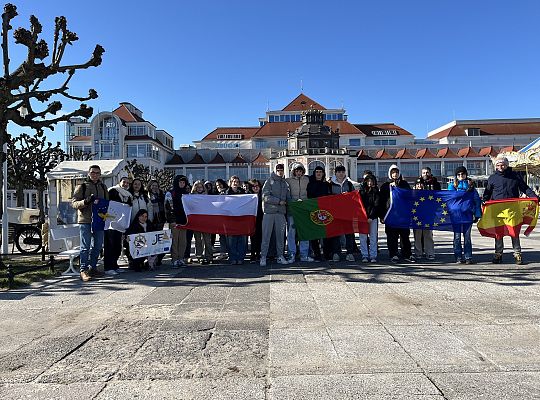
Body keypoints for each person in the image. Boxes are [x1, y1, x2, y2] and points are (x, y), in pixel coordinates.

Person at [483, 155, 538, 264]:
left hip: (512, 209)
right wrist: (484, 200)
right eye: (498, 165)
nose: (500, 166)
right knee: (498, 233)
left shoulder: (515, 176)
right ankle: (498, 254)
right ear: (495, 166)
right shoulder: (492, 178)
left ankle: (517, 253)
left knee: (514, 231)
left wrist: (534, 197)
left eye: (502, 164)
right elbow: (487, 193)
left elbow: (525, 188)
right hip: (497, 210)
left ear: (507, 165)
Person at [71, 164, 109, 282]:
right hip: (85, 220)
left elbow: (107, 203)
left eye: (97, 173)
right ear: (88, 173)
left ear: (100, 174)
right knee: (85, 247)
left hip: (99, 220)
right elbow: (74, 203)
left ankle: (93, 267)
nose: (95, 175)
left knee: (97, 246)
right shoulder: (81, 186)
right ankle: (83, 270)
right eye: (93, 172)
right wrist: (86, 201)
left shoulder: (103, 187)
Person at [379, 164, 415, 263]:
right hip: (390, 215)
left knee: (405, 236)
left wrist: (398, 187)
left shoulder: (404, 184)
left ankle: (407, 254)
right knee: (392, 236)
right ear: (390, 174)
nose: (395, 174)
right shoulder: (385, 186)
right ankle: (393, 254)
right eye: (393, 172)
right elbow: (381, 202)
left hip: (403, 215)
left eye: (396, 172)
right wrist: (381, 216)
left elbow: (409, 197)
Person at [448, 166, 482, 264]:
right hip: (456, 215)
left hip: (467, 214)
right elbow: (451, 198)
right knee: (457, 237)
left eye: (462, 174)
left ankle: (468, 257)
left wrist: (477, 214)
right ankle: (458, 257)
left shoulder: (471, 186)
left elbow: (476, 200)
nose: (461, 176)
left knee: (467, 237)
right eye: (458, 174)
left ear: (466, 174)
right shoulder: (452, 185)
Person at [260, 164, 289, 267]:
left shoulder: (285, 183)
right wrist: (278, 201)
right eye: (278, 170)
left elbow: (288, 197)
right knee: (266, 236)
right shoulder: (269, 181)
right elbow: (265, 196)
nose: (280, 172)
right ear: (275, 170)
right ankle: (263, 256)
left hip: (280, 213)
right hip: (269, 212)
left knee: (281, 237)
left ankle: (280, 256)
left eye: (281, 170)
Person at [103, 172, 132, 275]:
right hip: (110, 223)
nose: (125, 184)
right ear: (119, 182)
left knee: (117, 245)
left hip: (120, 224)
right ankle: (108, 267)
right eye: (124, 182)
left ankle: (115, 265)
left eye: (127, 183)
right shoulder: (113, 191)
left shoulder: (128, 195)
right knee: (109, 245)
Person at [285, 162, 313, 263]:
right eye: (297, 171)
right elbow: (286, 194)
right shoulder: (288, 181)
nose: (299, 173)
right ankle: (291, 254)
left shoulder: (307, 179)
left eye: (300, 171)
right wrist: (292, 202)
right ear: (294, 172)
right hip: (293, 209)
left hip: (304, 209)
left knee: (304, 232)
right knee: (291, 233)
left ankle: (304, 254)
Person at [413, 167, 441, 260]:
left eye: (427, 172)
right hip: (417, 215)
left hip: (429, 213)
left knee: (428, 234)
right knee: (417, 234)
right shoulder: (416, 186)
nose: (426, 174)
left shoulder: (435, 183)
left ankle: (430, 252)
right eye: (424, 172)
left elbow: (439, 196)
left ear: (430, 173)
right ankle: (418, 252)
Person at [329, 165, 356, 262]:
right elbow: (328, 198)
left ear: (345, 173)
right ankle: (336, 252)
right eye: (339, 172)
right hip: (335, 213)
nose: (341, 174)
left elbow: (354, 197)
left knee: (349, 233)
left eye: (342, 172)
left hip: (347, 212)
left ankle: (349, 253)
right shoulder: (331, 184)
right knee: (336, 233)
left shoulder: (348, 184)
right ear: (335, 173)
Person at [307, 165, 332, 261]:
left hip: (325, 211)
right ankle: (317, 253)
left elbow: (330, 196)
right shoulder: (310, 184)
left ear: (323, 174)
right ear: (314, 173)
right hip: (314, 210)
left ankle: (326, 253)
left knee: (326, 234)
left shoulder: (327, 185)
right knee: (314, 234)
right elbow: (309, 196)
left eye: (320, 172)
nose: (318, 174)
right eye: (317, 172)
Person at [166, 175, 189, 267]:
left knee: (183, 241)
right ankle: (174, 259)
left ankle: (181, 258)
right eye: (180, 182)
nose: (182, 184)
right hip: (174, 221)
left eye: (184, 182)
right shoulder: (171, 193)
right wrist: (171, 220)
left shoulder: (186, 194)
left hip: (184, 221)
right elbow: (167, 208)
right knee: (174, 241)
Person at [224, 175, 247, 264]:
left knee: (242, 239)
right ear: (230, 183)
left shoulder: (243, 193)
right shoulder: (225, 193)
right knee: (231, 241)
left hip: (241, 219)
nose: (235, 183)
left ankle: (241, 258)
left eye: (237, 182)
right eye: (234, 181)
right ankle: (233, 258)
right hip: (230, 220)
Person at [359, 174, 381, 263]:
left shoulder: (376, 191)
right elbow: (359, 205)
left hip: (373, 218)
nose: (369, 183)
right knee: (363, 237)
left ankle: (373, 255)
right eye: (368, 181)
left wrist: (371, 217)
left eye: (371, 181)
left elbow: (376, 205)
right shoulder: (361, 192)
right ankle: (364, 255)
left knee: (373, 237)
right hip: (362, 217)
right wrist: (364, 216)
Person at [190, 180, 213, 264]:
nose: (199, 189)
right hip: (196, 221)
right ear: (195, 188)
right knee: (198, 240)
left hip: (206, 221)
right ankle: (199, 256)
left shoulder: (207, 196)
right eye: (197, 187)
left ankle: (209, 256)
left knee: (207, 240)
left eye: (201, 187)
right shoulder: (191, 197)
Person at [147, 179, 167, 266]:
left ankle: (158, 258)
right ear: (150, 186)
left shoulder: (161, 194)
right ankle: (151, 259)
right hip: (152, 219)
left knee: (159, 240)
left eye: (156, 185)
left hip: (160, 219)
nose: (154, 187)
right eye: (153, 185)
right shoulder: (147, 195)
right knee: (152, 240)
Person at [248, 179, 263, 262]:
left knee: (260, 236)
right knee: (253, 237)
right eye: (253, 186)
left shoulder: (262, 195)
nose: (256, 188)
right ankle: (253, 253)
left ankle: (258, 253)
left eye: (257, 186)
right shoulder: (249, 196)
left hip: (261, 218)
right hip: (252, 218)